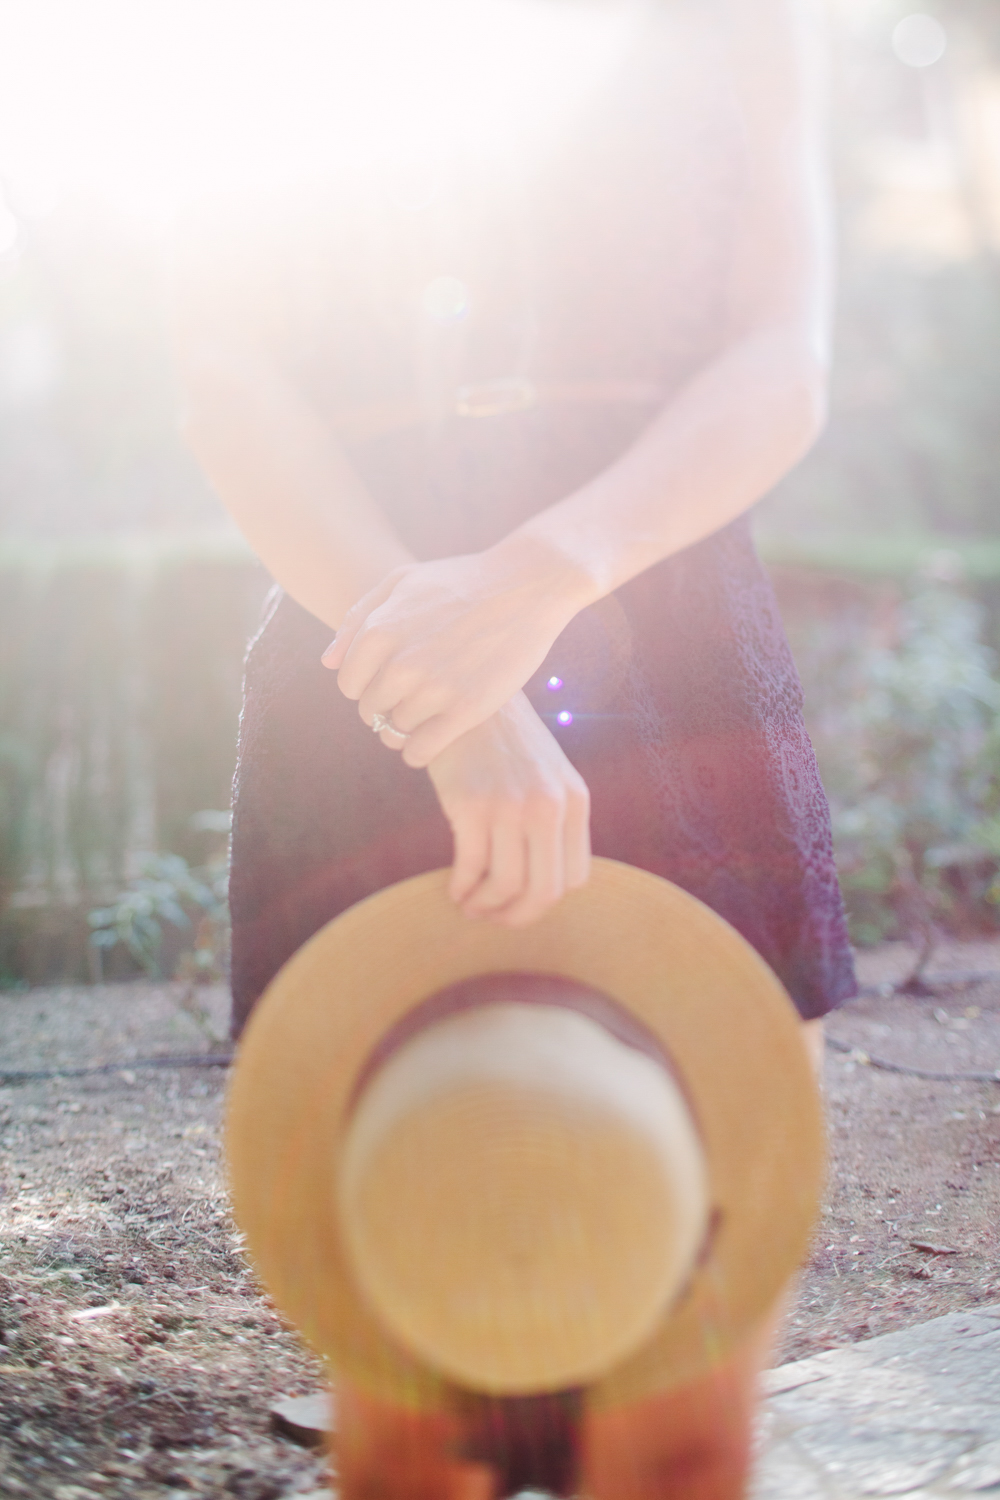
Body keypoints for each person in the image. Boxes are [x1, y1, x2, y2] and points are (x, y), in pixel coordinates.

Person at [173, 0, 856, 1492]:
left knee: (682, 1425)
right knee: (413, 1394)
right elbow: (221, 366)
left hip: (682, 676)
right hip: (356, 652)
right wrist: (448, 688)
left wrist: (537, 578)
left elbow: (782, 359)